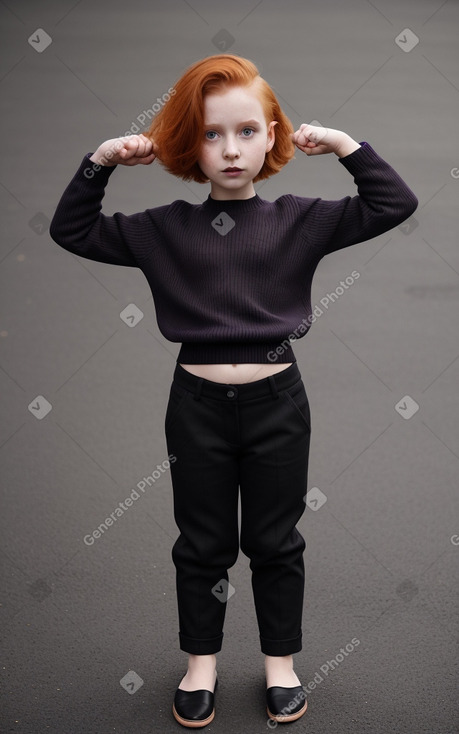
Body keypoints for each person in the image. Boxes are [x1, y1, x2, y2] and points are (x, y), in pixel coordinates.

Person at [49, 53, 418, 728]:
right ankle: (201, 663)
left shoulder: (300, 218)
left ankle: (280, 662)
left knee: (277, 540)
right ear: (190, 143)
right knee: (203, 541)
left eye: (247, 131)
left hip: (278, 403)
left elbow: (393, 203)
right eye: (211, 134)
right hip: (195, 408)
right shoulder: (162, 229)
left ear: (274, 136)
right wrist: (100, 160)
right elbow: (70, 230)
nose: (229, 149)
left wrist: (342, 145)